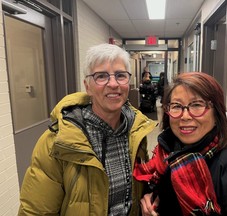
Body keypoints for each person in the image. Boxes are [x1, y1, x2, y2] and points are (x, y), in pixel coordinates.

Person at [18, 43, 157, 215]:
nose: (113, 84)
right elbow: (35, 211)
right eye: (101, 76)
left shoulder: (135, 131)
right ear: (87, 86)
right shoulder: (58, 141)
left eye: (120, 75)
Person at [134, 72, 227, 216]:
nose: (185, 116)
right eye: (177, 106)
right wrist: (150, 198)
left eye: (197, 105)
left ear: (217, 112)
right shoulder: (165, 157)